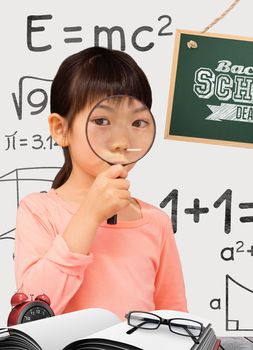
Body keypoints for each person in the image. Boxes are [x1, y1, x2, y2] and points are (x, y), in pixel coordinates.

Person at [14, 47, 187, 319]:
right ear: (61, 129)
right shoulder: (39, 211)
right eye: (102, 120)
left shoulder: (157, 223)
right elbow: (32, 312)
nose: (122, 140)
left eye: (137, 122)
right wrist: (90, 215)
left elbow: (176, 320)